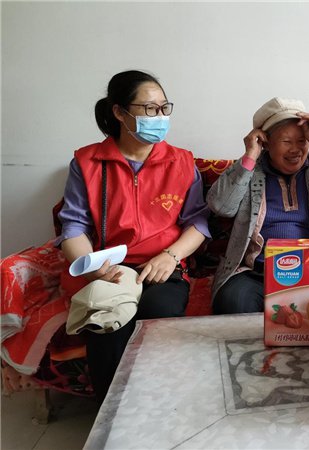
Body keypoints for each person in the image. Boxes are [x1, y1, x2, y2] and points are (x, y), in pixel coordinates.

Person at [57, 70, 211, 401]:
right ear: (119, 112)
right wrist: (92, 267)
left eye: (164, 108)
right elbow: (73, 225)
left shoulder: (182, 162)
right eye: (150, 109)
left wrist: (171, 256)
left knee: (161, 314)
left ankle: (158, 408)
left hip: (164, 267)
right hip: (111, 268)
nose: (160, 117)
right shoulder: (88, 162)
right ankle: (110, 416)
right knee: (107, 323)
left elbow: (197, 222)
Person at [207, 97, 309, 314]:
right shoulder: (250, 172)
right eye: (287, 141)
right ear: (266, 143)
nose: (296, 150)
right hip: (255, 271)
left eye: (302, 141)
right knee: (234, 302)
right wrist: (250, 155)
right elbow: (220, 206)